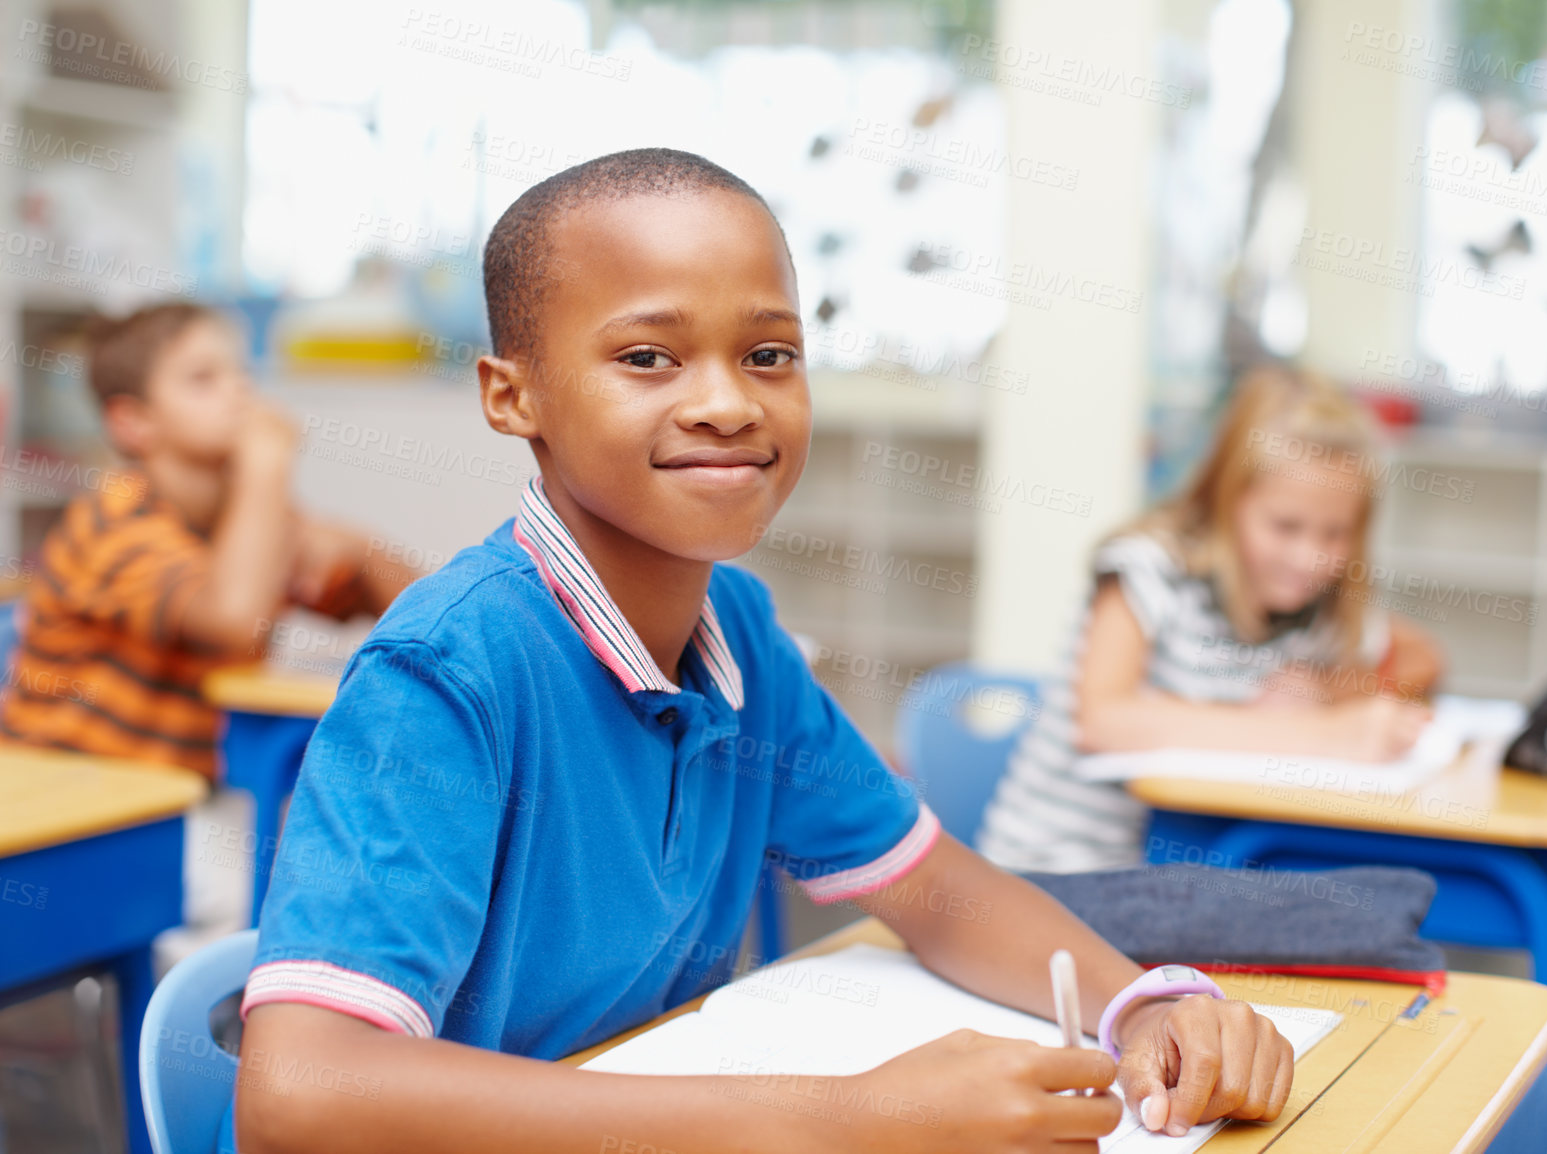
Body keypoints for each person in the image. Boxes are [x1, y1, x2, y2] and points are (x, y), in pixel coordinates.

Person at [229, 149, 1295, 1154]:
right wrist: (845, 1117)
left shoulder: (736, 634)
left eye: (769, 355)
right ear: (513, 395)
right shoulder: (447, 674)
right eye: (647, 357)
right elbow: (299, 1091)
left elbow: (934, 886)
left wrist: (1140, 1001)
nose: (729, 403)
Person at [977, 365, 1445, 875]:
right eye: (1285, 526)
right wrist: (1324, 732)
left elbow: (1424, 659)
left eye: (1335, 534)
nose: (1309, 558)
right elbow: (1102, 720)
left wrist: (1326, 688)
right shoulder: (1149, 569)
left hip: (1198, 875)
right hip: (1055, 875)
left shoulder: (1317, 601)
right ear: (1227, 497)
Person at [0, 304, 422, 777]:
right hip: (56, 800)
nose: (239, 391)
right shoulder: (110, 521)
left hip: (170, 806)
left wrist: (361, 552)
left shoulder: (253, 522)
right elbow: (233, 619)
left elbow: (426, 617)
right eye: (203, 379)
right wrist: (265, 466)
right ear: (132, 422)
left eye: (241, 372)